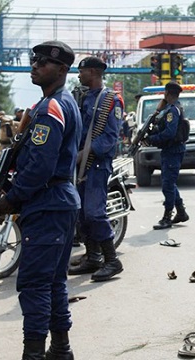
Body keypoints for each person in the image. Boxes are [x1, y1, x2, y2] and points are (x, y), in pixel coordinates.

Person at [0, 40, 81, 359]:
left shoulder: (51, 107)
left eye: (43, 62)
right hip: (59, 201)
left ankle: (34, 354)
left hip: (48, 203)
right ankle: (60, 350)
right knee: (53, 282)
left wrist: (13, 198)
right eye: (34, 61)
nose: (35, 66)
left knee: (33, 285)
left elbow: (41, 165)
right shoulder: (61, 102)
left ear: (61, 69)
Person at [68, 56, 124, 282]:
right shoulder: (80, 97)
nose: (79, 75)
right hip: (78, 165)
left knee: (94, 212)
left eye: (82, 71)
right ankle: (93, 257)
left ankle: (112, 260)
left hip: (97, 164)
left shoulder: (111, 100)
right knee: (81, 213)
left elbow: (110, 137)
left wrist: (85, 154)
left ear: (92, 72)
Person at [146, 81, 189, 230]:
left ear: (167, 94)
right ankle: (181, 212)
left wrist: (152, 139)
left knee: (167, 185)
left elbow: (170, 133)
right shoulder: (174, 108)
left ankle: (167, 217)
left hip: (173, 150)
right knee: (170, 183)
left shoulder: (172, 110)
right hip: (172, 150)